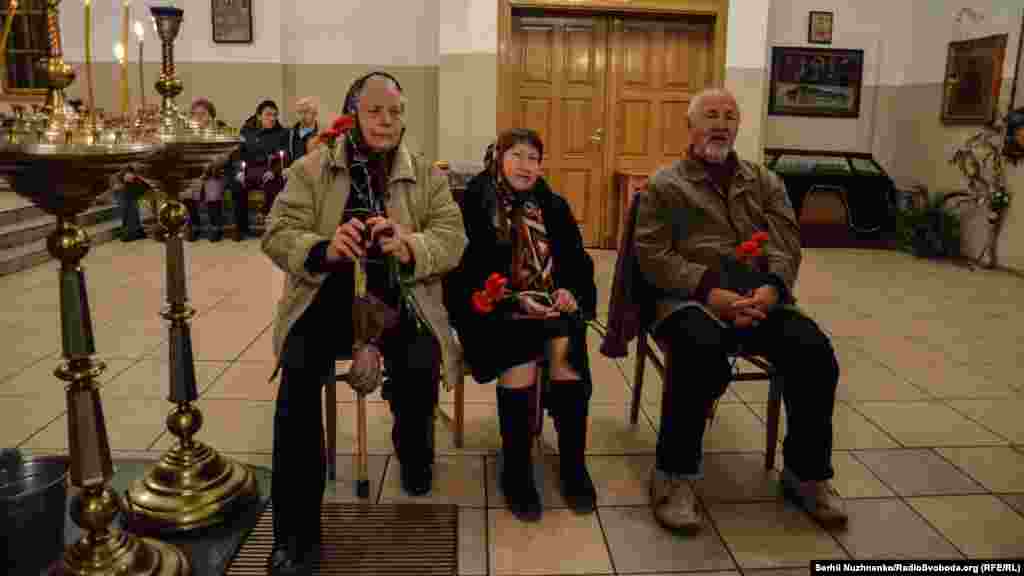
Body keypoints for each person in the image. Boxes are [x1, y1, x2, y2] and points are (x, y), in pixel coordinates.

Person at [261, 72, 466, 575]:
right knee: (297, 383)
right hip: (325, 301)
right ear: (354, 113)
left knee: (420, 362)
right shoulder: (311, 170)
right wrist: (323, 246)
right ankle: (294, 533)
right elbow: (276, 233)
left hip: (402, 299)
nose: (386, 121)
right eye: (375, 111)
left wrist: (410, 243)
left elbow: (453, 240)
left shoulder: (426, 174)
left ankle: (413, 448)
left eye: (395, 112)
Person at [633, 88, 847, 533]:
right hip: (689, 299)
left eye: (730, 116)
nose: (721, 122)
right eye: (710, 114)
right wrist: (710, 290)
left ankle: (806, 474)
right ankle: (674, 476)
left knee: (814, 351)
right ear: (690, 127)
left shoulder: (764, 181)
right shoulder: (665, 184)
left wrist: (772, 287)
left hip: (760, 297)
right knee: (699, 352)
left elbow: (787, 242)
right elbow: (652, 255)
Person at [448, 129, 598, 522]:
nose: (525, 166)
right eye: (517, 156)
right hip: (492, 309)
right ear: (499, 157)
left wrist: (569, 292)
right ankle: (516, 471)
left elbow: (578, 262)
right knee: (521, 351)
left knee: (567, 345)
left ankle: (573, 465)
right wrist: (514, 299)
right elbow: (463, 273)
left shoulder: (553, 204)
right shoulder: (476, 202)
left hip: (547, 306)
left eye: (533, 158)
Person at [229, 99, 288, 241]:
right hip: (248, 170)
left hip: (268, 171)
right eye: (268, 115)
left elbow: (284, 156)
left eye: (275, 115)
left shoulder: (282, 133)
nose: (272, 118)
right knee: (237, 185)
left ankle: (271, 227)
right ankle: (241, 227)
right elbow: (237, 154)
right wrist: (239, 171)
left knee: (275, 183)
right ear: (259, 116)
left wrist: (273, 171)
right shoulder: (246, 131)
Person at [183, 98, 231, 242]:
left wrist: (210, 166)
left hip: (215, 173)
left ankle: (216, 226)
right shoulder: (188, 134)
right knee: (187, 191)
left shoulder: (221, 131)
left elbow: (226, 154)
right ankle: (194, 225)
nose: (198, 117)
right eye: (195, 114)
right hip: (194, 173)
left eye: (202, 114)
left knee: (212, 190)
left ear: (211, 115)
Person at [286, 97, 319, 165]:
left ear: (315, 113)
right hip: (293, 173)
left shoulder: (321, 134)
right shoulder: (290, 133)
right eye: (300, 112)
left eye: (306, 112)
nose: (303, 116)